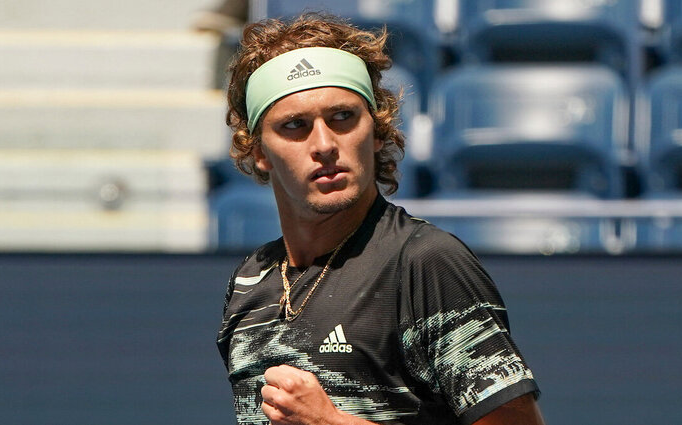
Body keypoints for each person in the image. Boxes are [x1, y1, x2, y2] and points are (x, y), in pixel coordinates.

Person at [216, 13, 545, 425]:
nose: (324, 144)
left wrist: (331, 422)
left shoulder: (426, 263)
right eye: (295, 125)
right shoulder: (249, 281)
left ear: (375, 131)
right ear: (259, 152)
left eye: (342, 117)